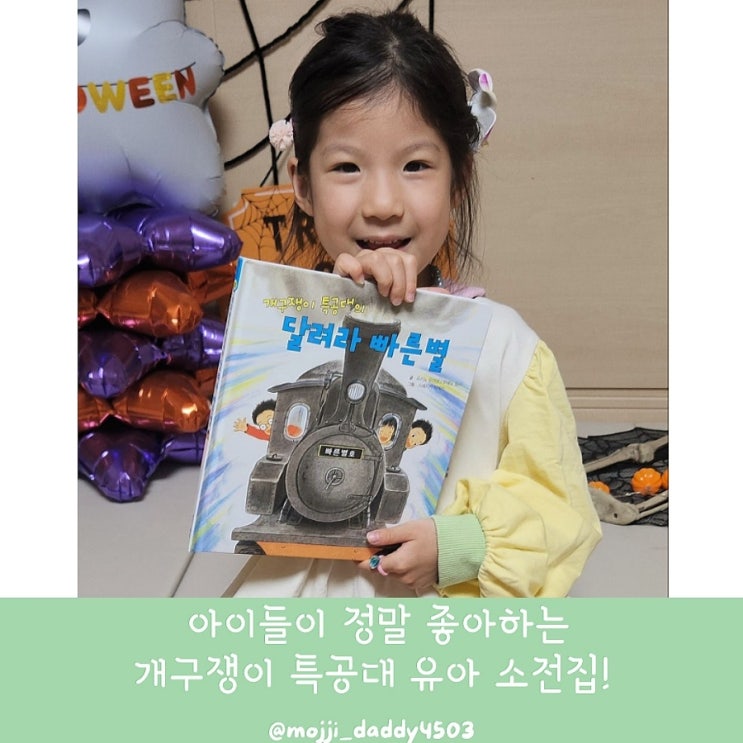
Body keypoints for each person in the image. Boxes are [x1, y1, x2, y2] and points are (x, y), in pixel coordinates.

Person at [231, 8, 601, 599]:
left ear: (459, 178)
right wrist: (342, 304)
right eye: (347, 166)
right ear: (301, 183)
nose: (382, 203)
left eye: (415, 166)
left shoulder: (506, 345)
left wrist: (460, 545)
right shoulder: (276, 327)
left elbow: (562, 510)